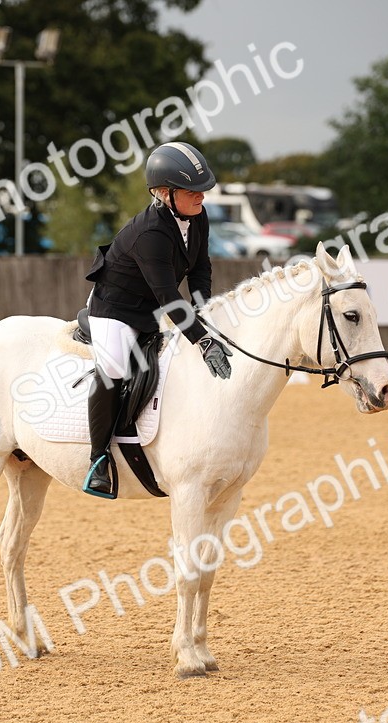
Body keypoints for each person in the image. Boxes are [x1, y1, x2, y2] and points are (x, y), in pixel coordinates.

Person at [81, 141, 233, 499]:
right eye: (193, 191)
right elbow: (168, 297)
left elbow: (200, 269)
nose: (202, 197)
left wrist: (203, 313)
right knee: (116, 367)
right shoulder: (150, 234)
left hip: (149, 306)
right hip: (114, 309)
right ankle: (98, 458)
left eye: (202, 190)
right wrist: (203, 339)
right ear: (165, 194)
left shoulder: (197, 216)